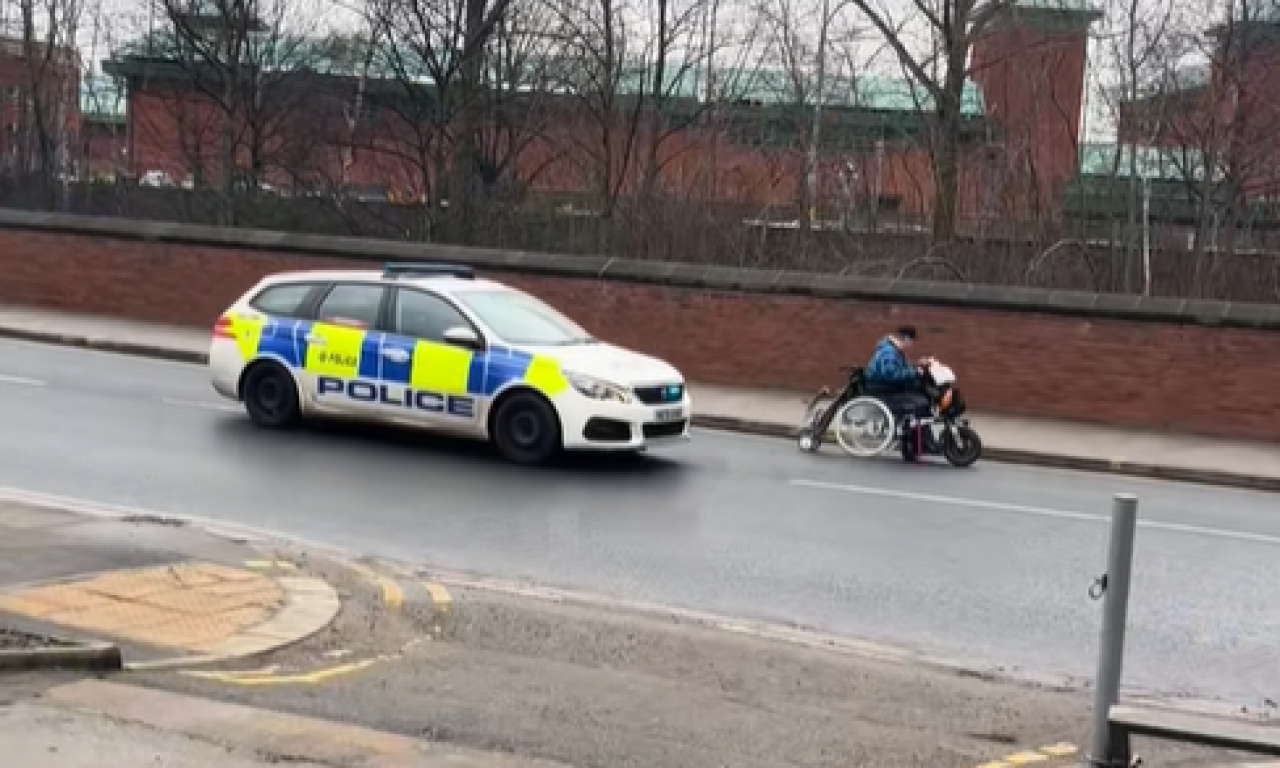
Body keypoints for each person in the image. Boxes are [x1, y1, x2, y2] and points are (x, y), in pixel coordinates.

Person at [863, 326, 935, 458]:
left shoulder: (895, 351)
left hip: (888, 389)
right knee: (920, 403)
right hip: (882, 392)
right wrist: (915, 372)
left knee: (923, 398)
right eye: (912, 341)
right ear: (906, 339)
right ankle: (915, 444)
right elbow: (890, 375)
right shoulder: (889, 353)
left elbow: (900, 370)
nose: (912, 345)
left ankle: (921, 443)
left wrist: (917, 366)